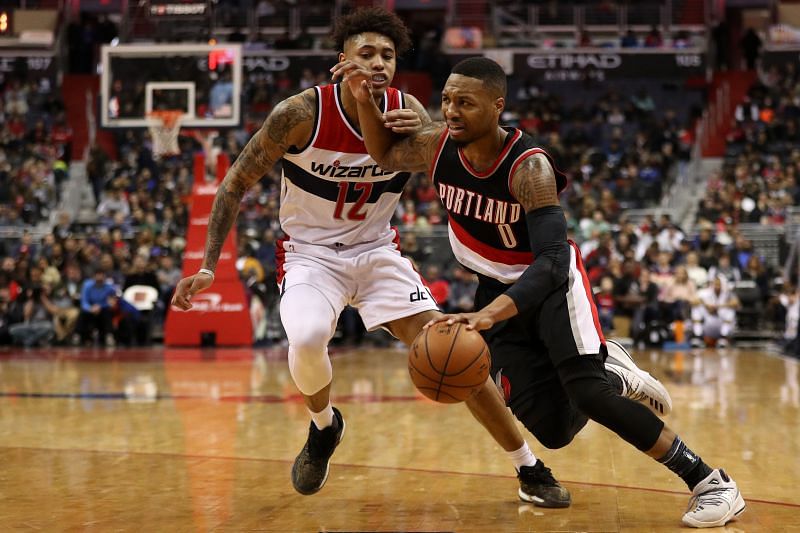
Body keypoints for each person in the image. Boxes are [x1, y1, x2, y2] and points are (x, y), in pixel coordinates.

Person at [172, 8, 570, 507]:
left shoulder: (412, 115)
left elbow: (471, 168)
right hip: (311, 255)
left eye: (388, 55)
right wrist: (209, 265)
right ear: (342, 62)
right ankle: (324, 426)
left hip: (377, 250)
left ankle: (528, 467)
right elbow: (233, 185)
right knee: (308, 335)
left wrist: (426, 140)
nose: (379, 63)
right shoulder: (299, 114)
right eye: (367, 54)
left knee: (453, 347)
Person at [344, 56, 745, 528]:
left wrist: (490, 316)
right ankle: (613, 371)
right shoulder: (437, 146)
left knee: (589, 396)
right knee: (554, 431)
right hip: (494, 286)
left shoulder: (528, 168)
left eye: (465, 103)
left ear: (498, 107)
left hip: (550, 285)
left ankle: (710, 482)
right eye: (448, 100)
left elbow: (553, 261)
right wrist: (361, 101)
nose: (451, 111)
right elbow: (386, 154)